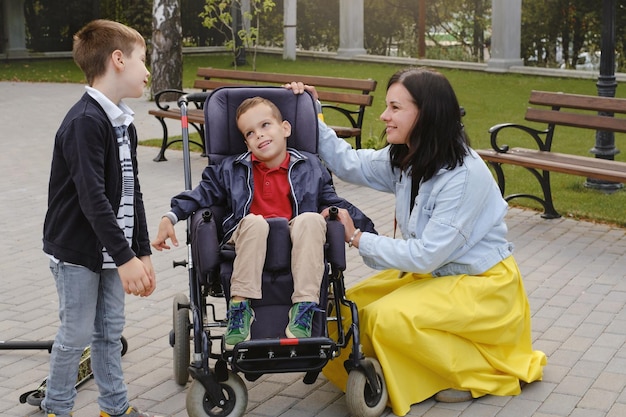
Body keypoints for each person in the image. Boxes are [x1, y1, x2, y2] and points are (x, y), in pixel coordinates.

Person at [286, 67, 547, 416]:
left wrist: (357, 237)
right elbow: (349, 163)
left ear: (426, 114)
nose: (384, 116)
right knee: (348, 311)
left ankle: (467, 373)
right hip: (435, 276)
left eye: (395, 108)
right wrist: (310, 110)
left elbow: (426, 256)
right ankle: (397, 372)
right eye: (386, 106)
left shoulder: (464, 176)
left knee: (383, 319)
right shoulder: (409, 156)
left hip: (481, 286)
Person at [151, 96, 375, 349]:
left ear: (286, 129)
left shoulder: (310, 166)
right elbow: (200, 194)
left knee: (312, 219)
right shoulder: (230, 169)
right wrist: (171, 216)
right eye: (250, 132)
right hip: (247, 237)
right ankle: (240, 308)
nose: (259, 135)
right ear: (246, 142)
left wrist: (367, 233)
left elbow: (334, 201)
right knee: (255, 223)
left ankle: (304, 308)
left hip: (295, 240)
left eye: (265, 125)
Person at [41, 20, 159, 417]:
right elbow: (92, 200)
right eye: (143, 60)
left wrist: (140, 252)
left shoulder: (121, 122)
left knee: (109, 333)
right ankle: (55, 408)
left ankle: (115, 407)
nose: (147, 70)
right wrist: (125, 258)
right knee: (75, 336)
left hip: (114, 249)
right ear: (118, 59)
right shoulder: (85, 122)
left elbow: (133, 190)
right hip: (78, 250)